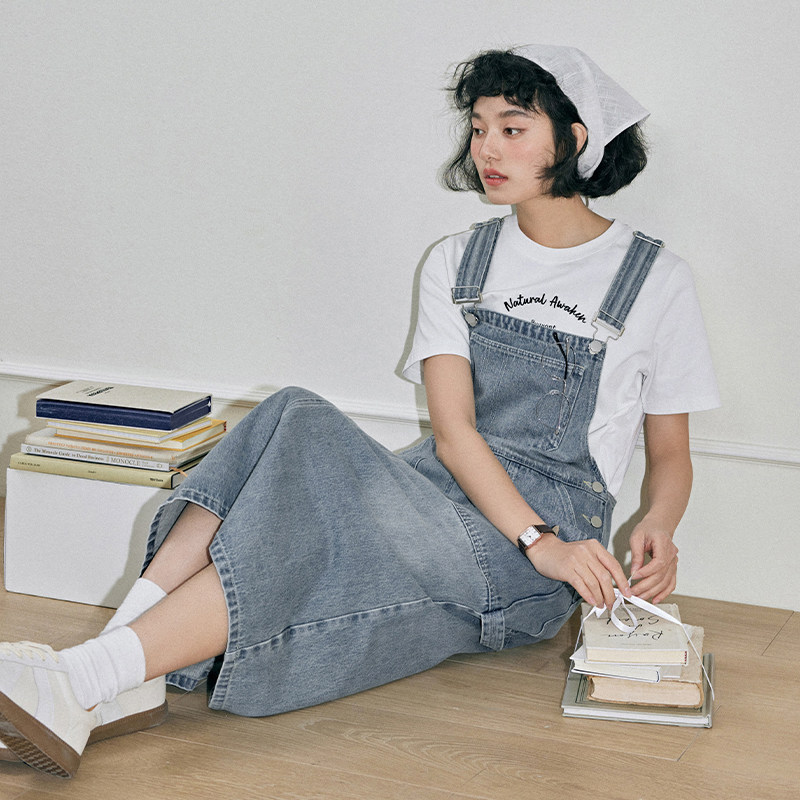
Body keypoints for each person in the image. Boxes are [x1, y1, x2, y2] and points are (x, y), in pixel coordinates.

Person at [0, 45, 719, 778]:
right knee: (292, 414)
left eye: (512, 128)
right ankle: (100, 675)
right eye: (478, 129)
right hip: (437, 489)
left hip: (539, 547)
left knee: (302, 474)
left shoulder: (654, 278)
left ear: (575, 139)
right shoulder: (458, 260)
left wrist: (651, 525)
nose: (487, 150)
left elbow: (670, 452)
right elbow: (453, 435)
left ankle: (90, 675)